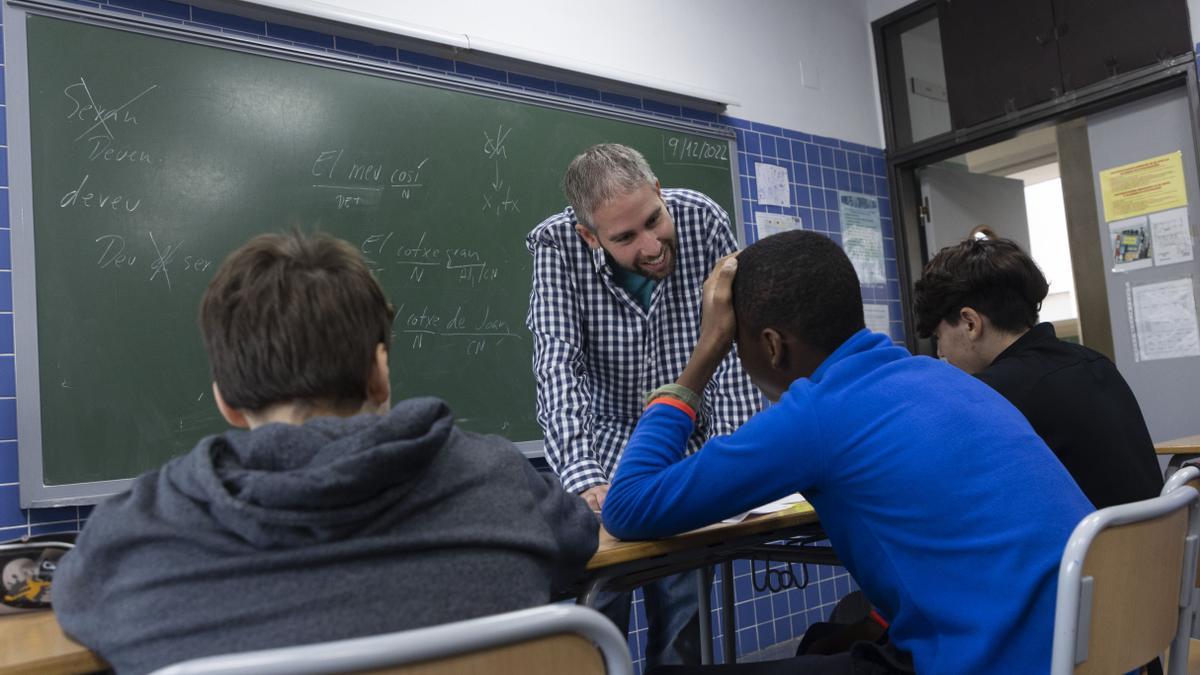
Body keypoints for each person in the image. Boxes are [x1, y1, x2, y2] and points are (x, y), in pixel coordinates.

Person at [53, 232, 598, 675]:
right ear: (380, 373)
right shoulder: (499, 480)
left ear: (226, 402)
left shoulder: (137, 538)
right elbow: (578, 540)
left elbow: (76, 599)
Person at [602, 230, 1093, 674]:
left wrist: (708, 347)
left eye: (737, 345)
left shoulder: (817, 413)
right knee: (824, 641)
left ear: (772, 346)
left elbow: (627, 506)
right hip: (1093, 651)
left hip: (987, 663)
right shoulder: (941, 376)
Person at [526, 143, 761, 666]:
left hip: (687, 450)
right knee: (600, 614)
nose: (652, 247)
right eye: (625, 238)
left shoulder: (703, 219)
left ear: (657, 190)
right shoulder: (556, 245)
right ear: (590, 236)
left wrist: (732, 460)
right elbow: (558, 364)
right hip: (607, 450)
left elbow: (732, 348)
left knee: (683, 622)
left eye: (654, 220)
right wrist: (584, 476)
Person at [912, 237, 1163, 508]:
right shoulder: (1094, 362)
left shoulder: (992, 394)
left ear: (970, 323)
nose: (941, 352)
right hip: (1157, 533)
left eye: (939, 336)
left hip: (1085, 536)